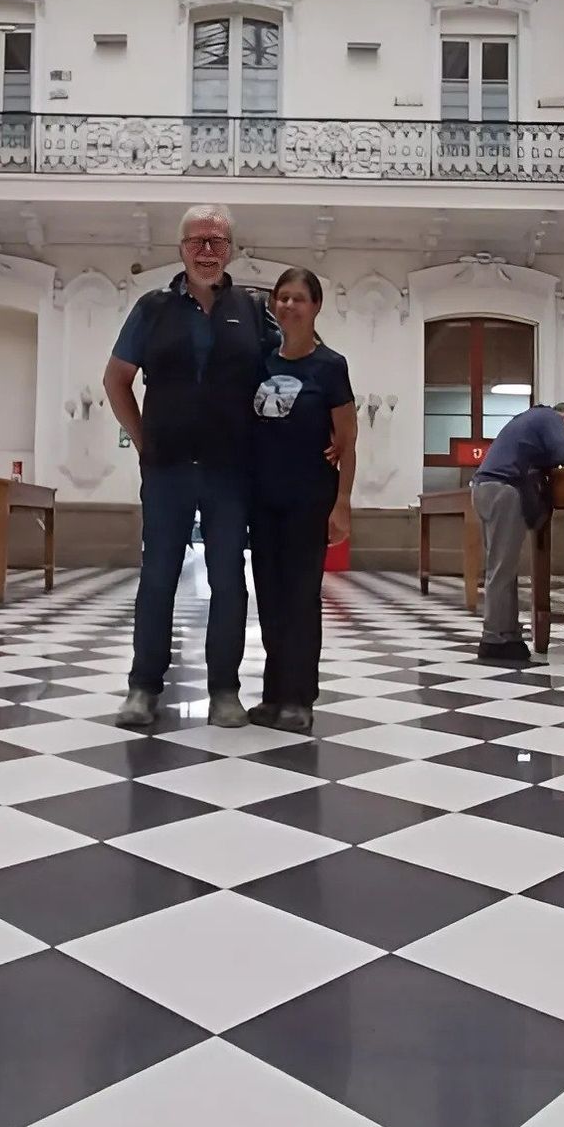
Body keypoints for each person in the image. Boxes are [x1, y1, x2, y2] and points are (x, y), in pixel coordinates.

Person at [103, 203, 275, 729]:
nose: (207, 251)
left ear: (231, 250)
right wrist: (143, 441)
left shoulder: (251, 310)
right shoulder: (152, 309)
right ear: (180, 249)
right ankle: (142, 688)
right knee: (157, 577)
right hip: (168, 469)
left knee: (229, 580)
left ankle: (225, 690)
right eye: (198, 241)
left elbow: (282, 372)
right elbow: (116, 380)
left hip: (230, 470)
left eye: (217, 242)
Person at [247, 267, 356, 734]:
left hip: (309, 499)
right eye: (282, 298)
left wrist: (343, 501)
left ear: (316, 307)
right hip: (262, 498)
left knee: (300, 598)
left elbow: (347, 440)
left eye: (299, 299)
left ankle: (299, 697)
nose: (289, 305)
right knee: (270, 599)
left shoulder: (330, 366)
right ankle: (273, 694)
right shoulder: (262, 360)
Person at [468, 398, 564, 664]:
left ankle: (507, 634)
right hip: (503, 490)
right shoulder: (551, 419)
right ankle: (494, 639)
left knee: (502, 567)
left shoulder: (528, 419)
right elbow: (563, 455)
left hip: (484, 489)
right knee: (501, 569)